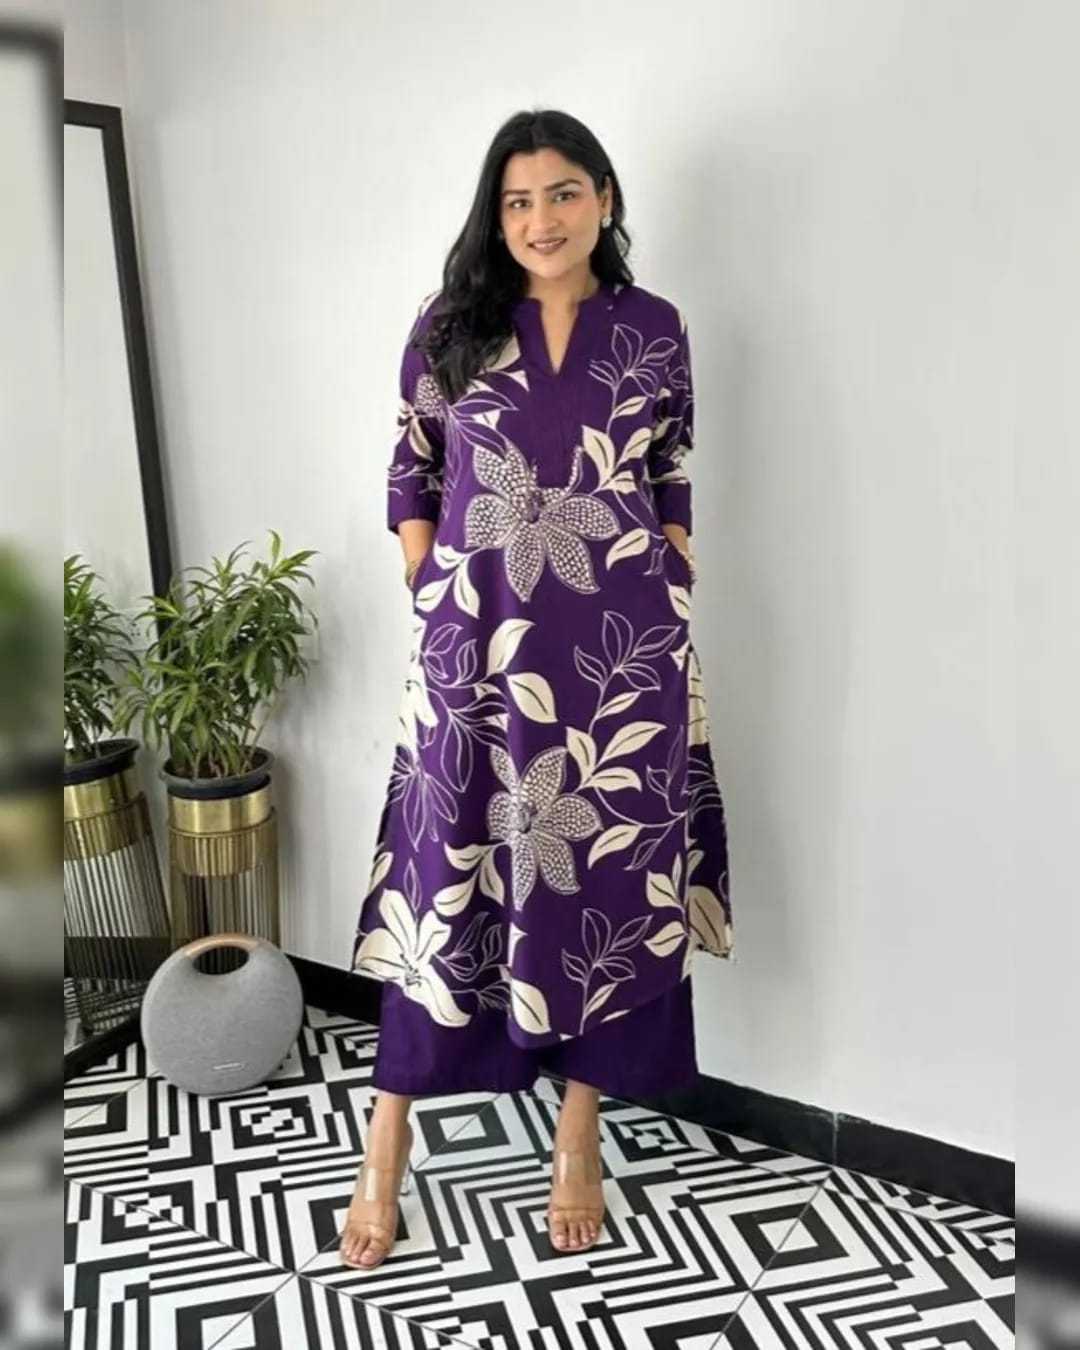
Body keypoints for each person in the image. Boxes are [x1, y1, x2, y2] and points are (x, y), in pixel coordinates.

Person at [340, 108, 734, 1270]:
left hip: (620, 660)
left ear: (603, 199)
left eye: (562, 194)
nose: (540, 220)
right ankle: (384, 1143)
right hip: (477, 654)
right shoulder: (450, 324)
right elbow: (412, 465)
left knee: (600, 876)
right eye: (516, 202)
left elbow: (671, 463)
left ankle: (577, 1134)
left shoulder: (654, 328)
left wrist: (674, 559)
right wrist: (430, 578)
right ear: (496, 216)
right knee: (444, 873)